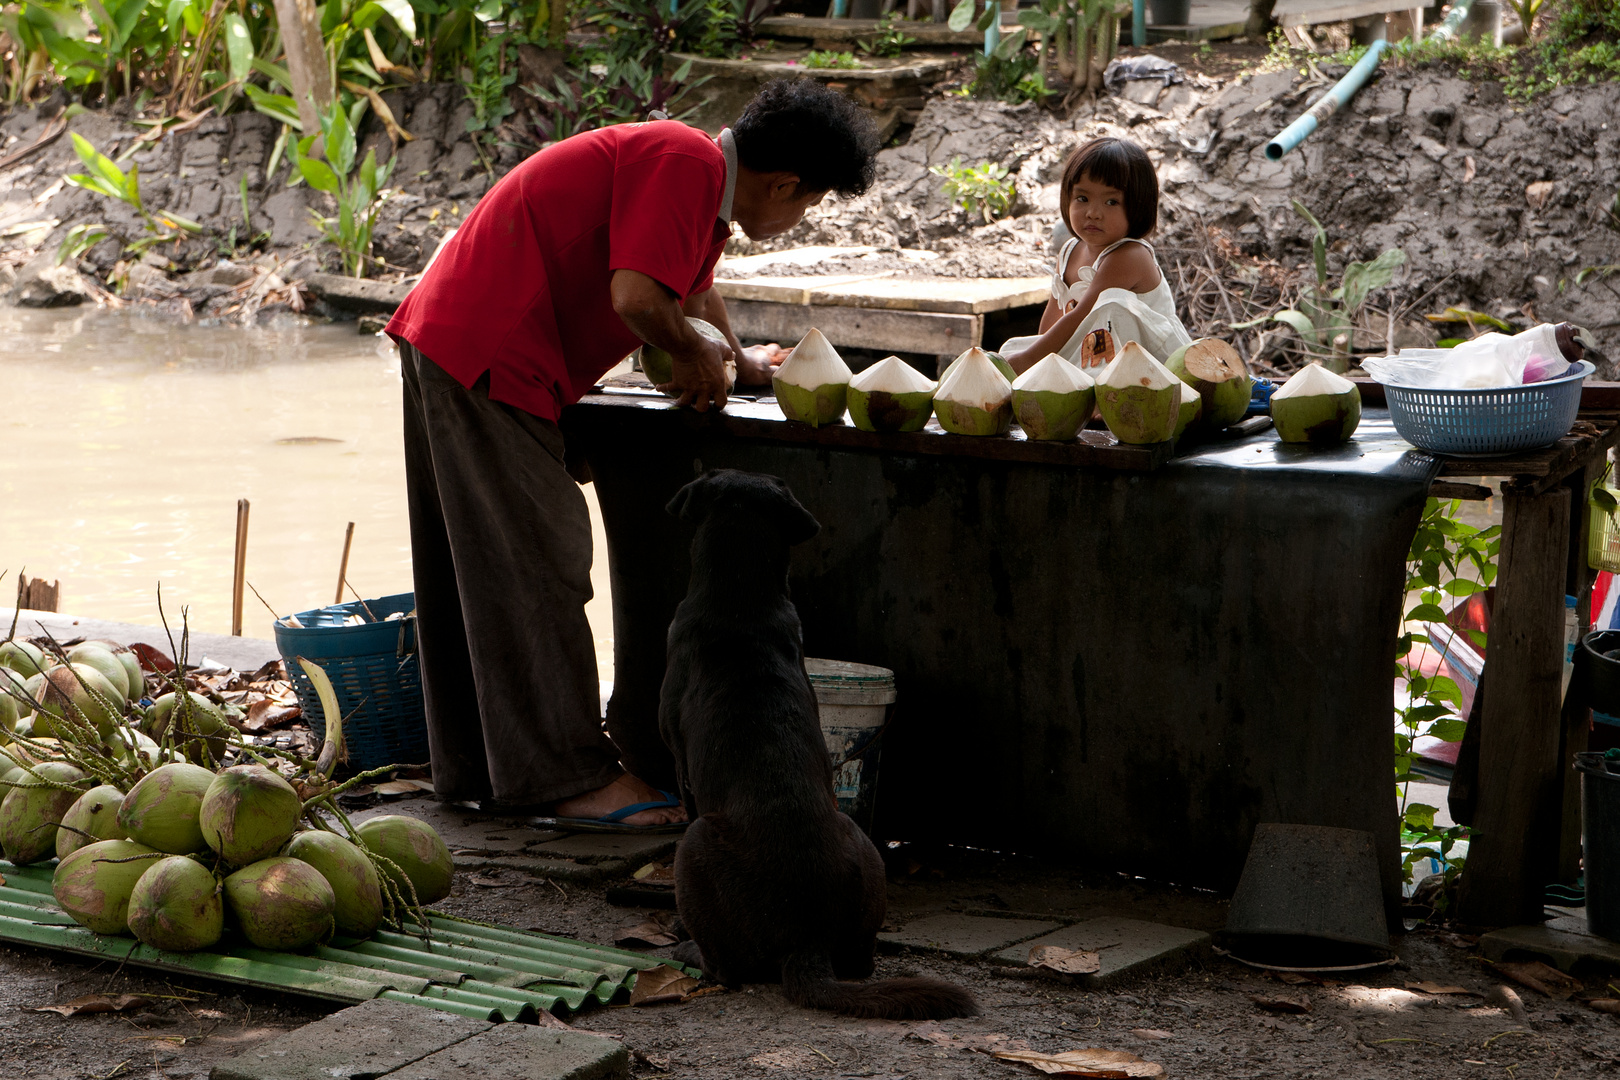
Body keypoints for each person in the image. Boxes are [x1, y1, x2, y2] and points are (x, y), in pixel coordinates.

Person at [385, 80, 880, 825]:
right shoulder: (684, 163)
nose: (798, 217)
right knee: (539, 561)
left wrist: (739, 362)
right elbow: (640, 300)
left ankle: (477, 772)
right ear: (783, 183)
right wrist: (688, 353)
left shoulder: (697, 178)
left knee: (475, 570)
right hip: (492, 348)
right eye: (807, 204)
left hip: (455, 336)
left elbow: (689, 296)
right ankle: (568, 779)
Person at [1000, 137, 1192, 374]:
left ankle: (1108, 395)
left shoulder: (1129, 255)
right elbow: (1053, 321)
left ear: (1138, 206)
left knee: (1113, 302)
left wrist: (1029, 360)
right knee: (1011, 348)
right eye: (1082, 198)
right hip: (1095, 352)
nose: (1093, 213)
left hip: (1150, 367)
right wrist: (1037, 367)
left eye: (1111, 201)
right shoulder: (1070, 251)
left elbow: (1082, 316)